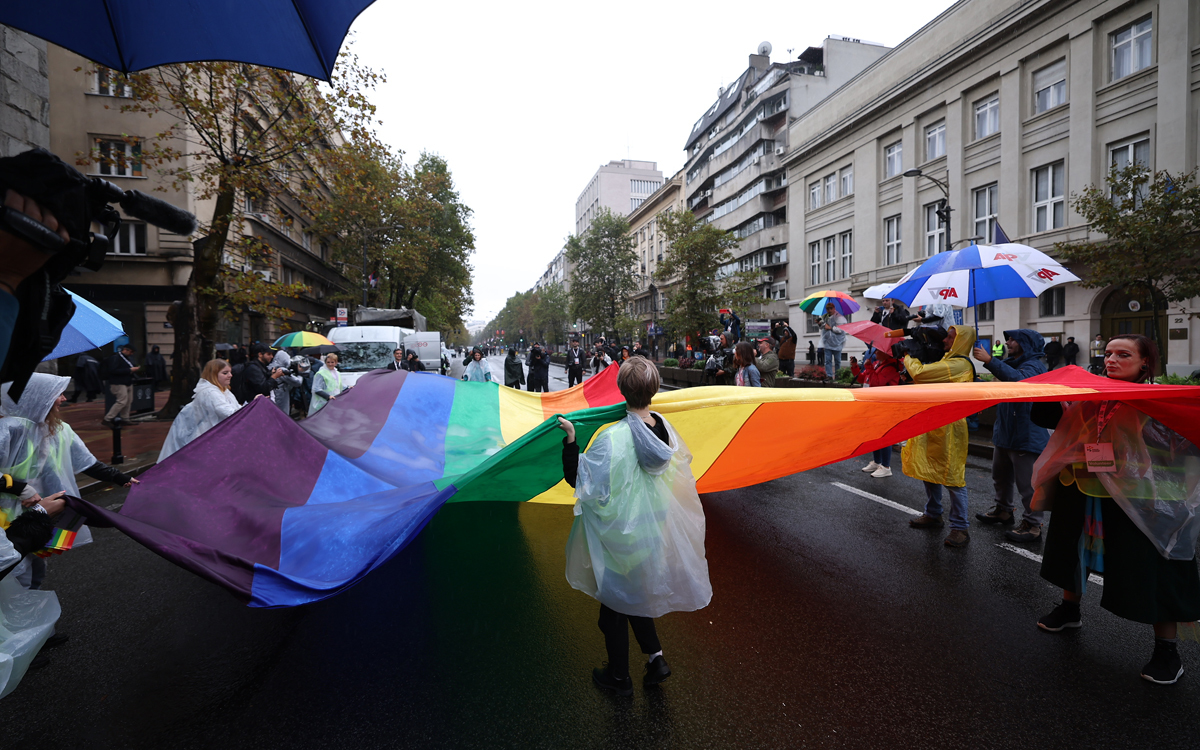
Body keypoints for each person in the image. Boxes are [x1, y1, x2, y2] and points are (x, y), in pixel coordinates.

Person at [1031, 334, 1200, 685]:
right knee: (1072, 550)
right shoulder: (1090, 391)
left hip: (1138, 500)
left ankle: (1167, 650)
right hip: (1081, 488)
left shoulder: (1160, 400)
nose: (1112, 360)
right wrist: (1056, 391)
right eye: (1108, 353)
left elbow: (1182, 447)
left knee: (1156, 568)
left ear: (1145, 363)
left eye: (1124, 355)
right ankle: (1070, 609)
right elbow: (1042, 414)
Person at [557, 356, 711, 696]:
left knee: (612, 610)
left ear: (621, 390)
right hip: (652, 531)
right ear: (654, 389)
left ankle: (618, 677)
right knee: (635, 595)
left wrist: (570, 440)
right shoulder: (666, 430)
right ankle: (656, 659)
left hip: (620, 538)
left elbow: (578, 479)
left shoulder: (612, 438)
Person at [1, 373, 137, 589]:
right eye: (58, 394)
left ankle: (30, 617)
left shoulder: (58, 429)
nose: (64, 398)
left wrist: (121, 478)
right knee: (16, 575)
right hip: (7, 517)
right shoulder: (8, 430)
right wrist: (19, 487)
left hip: (41, 512)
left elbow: (87, 462)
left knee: (37, 573)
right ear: (38, 397)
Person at [902, 325, 978, 547]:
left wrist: (908, 355)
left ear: (961, 342)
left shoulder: (959, 364)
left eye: (951, 337)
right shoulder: (946, 360)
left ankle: (960, 528)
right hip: (934, 423)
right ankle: (933, 514)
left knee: (953, 478)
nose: (945, 340)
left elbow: (920, 374)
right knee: (929, 469)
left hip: (949, 429)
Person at [971, 330, 1051, 543]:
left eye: (1013, 339)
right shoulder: (1012, 363)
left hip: (1025, 435)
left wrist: (990, 361)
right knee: (1001, 477)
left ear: (1026, 343)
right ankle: (1003, 510)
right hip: (1006, 434)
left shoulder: (1034, 366)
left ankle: (1033, 525)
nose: (1008, 342)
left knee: (1027, 485)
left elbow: (1020, 383)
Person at [159, 359, 244, 460]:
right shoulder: (209, 392)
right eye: (225, 373)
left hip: (211, 438)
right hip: (204, 439)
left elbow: (236, 409)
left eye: (230, 372)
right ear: (213, 374)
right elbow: (228, 413)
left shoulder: (223, 390)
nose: (230, 375)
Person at [857, 349, 903, 477]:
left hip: (886, 405)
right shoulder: (878, 364)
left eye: (878, 350)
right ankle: (877, 462)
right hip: (875, 403)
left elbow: (877, 383)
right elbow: (863, 379)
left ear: (887, 352)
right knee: (873, 434)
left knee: (883, 435)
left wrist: (868, 367)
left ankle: (886, 466)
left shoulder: (892, 367)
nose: (875, 352)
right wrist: (855, 367)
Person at [100, 343, 139, 426]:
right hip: (118, 382)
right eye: (131, 352)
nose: (131, 354)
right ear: (125, 350)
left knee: (128, 401)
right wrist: (129, 370)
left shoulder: (127, 358)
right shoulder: (115, 358)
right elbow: (113, 370)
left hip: (127, 382)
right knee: (122, 401)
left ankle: (125, 418)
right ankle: (108, 419)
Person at [820, 303, 847, 381]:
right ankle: (829, 375)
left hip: (837, 343)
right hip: (828, 342)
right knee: (827, 360)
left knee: (837, 360)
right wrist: (820, 324)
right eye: (828, 309)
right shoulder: (825, 317)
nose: (829, 310)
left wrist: (830, 328)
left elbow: (840, 329)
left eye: (831, 308)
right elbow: (823, 327)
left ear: (834, 308)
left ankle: (838, 375)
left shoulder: (839, 318)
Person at [269, 350, 302, 414]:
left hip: (274, 394)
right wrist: (301, 374)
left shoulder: (271, 367)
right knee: (282, 413)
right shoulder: (282, 370)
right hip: (281, 395)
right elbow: (297, 382)